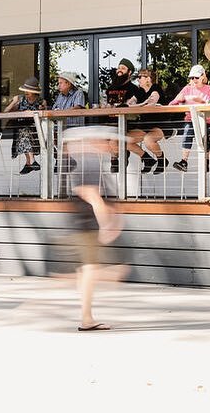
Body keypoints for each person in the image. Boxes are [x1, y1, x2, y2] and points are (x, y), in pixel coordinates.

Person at [62, 126, 128, 331]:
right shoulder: (89, 162)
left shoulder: (93, 161)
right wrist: (105, 223)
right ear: (102, 142)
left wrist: (113, 215)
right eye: (112, 142)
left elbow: (97, 196)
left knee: (88, 269)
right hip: (87, 222)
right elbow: (91, 194)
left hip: (85, 221)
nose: (114, 146)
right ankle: (87, 318)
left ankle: (86, 314)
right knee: (91, 269)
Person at [169, 65, 210, 172]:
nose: (193, 80)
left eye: (196, 77)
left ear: (202, 77)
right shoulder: (186, 89)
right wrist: (179, 101)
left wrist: (201, 101)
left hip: (206, 120)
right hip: (190, 120)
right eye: (191, 78)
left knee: (205, 134)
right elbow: (172, 104)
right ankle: (184, 161)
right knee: (187, 131)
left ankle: (206, 161)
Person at [126, 68, 171, 174]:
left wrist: (139, 105)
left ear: (148, 79)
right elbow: (129, 104)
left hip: (160, 124)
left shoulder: (155, 88)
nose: (138, 80)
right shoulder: (140, 91)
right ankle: (147, 159)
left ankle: (162, 160)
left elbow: (151, 103)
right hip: (145, 125)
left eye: (140, 77)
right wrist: (140, 104)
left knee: (148, 140)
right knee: (125, 141)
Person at [102, 59, 142, 172]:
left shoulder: (134, 89)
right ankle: (120, 155)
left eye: (123, 68)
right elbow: (104, 104)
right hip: (110, 122)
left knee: (113, 139)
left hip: (126, 123)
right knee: (106, 138)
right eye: (119, 68)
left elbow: (132, 107)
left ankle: (115, 159)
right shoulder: (110, 88)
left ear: (129, 72)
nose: (119, 70)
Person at [2, 77, 46, 175]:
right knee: (23, 131)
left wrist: (36, 111)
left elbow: (44, 118)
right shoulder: (20, 99)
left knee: (24, 133)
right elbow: (5, 112)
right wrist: (13, 102)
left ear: (34, 92)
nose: (26, 92)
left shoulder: (41, 102)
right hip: (20, 127)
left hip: (35, 130)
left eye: (29, 91)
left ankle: (29, 163)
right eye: (25, 90)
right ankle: (31, 161)